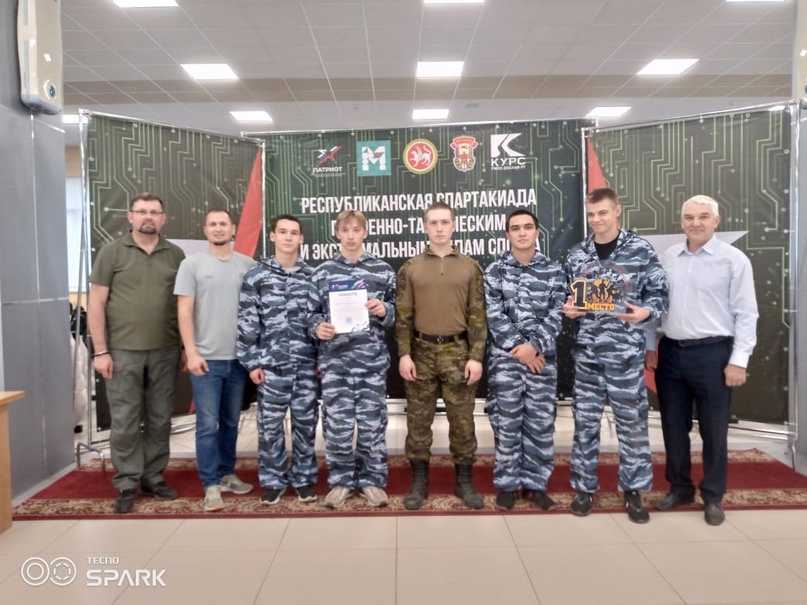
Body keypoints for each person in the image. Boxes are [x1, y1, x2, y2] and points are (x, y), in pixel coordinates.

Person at [645, 195, 758, 526]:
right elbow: (656, 305)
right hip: (671, 353)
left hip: (714, 355)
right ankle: (679, 488)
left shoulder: (733, 260)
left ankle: (712, 496)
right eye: (689, 217)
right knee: (673, 427)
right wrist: (651, 345)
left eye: (703, 217)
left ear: (716, 221)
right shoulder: (667, 258)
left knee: (714, 429)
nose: (696, 223)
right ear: (681, 222)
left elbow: (746, 313)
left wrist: (739, 361)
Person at [562, 187, 668, 523]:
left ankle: (633, 490)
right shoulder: (577, 255)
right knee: (585, 425)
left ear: (617, 211)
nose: (597, 220)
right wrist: (570, 310)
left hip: (625, 355)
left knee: (632, 425)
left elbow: (660, 293)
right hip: (588, 356)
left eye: (603, 213)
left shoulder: (639, 249)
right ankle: (584, 488)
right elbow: (568, 299)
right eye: (591, 214)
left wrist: (646, 313)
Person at [87, 192, 186, 514]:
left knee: (160, 418)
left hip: (165, 349)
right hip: (121, 352)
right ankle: (127, 481)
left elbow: (184, 305)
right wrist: (100, 351)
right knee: (125, 419)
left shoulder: (175, 255)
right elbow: (96, 302)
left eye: (154, 212)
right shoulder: (112, 252)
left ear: (163, 219)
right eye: (142, 211)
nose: (148, 217)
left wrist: (186, 347)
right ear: (130, 216)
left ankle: (153, 477)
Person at [396, 202, 487, 510]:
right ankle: (419, 482)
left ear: (454, 225)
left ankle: (464, 481)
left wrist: (475, 356)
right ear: (425, 227)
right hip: (420, 352)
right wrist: (404, 354)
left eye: (444, 222)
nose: (439, 228)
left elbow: (477, 314)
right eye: (433, 223)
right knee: (418, 421)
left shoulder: (470, 267)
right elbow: (403, 315)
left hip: (458, 352)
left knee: (462, 421)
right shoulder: (410, 268)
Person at [308, 210, 396, 509]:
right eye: (345, 230)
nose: (350, 235)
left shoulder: (383, 270)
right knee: (338, 426)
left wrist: (384, 310)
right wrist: (317, 327)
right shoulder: (323, 272)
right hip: (336, 363)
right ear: (337, 233)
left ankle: (372, 481)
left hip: (371, 362)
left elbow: (398, 312)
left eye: (356, 229)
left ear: (365, 232)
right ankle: (341, 482)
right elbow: (310, 314)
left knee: (372, 425)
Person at [484, 209, 566, 511]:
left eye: (527, 227)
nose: (522, 233)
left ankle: (535, 484)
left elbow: (557, 314)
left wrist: (535, 346)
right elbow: (494, 315)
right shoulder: (494, 271)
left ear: (537, 232)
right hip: (506, 361)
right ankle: (507, 485)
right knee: (506, 423)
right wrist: (521, 348)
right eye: (515, 228)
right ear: (507, 234)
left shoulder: (554, 271)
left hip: (542, 360)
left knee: (541, 423)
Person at [175, 209, 256, 512]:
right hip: (206, 361)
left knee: (232, 422)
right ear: (205, 230)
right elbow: (184, 311)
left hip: (239, 360)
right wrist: (191, 352)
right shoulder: (191, 265)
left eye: (223, 224)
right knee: (208, 425)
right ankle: (210, 484)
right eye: (213, 224)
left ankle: (227, 473)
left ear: (232, 229)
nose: (218, 228)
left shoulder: (247, 265)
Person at [238, 215, 319, 506]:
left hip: (306, 364)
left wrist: (321, 360)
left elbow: (321, 318)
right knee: (269, 427)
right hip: (271, 366)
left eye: (294, 233)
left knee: (305, 425)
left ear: (301, 239)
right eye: (282, 232)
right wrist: (252, 362)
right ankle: (273, 481)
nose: (288, 237)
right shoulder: (256, 276)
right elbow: (248, 321)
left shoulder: (312, 276)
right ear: (272, 236)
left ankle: (303, 479)